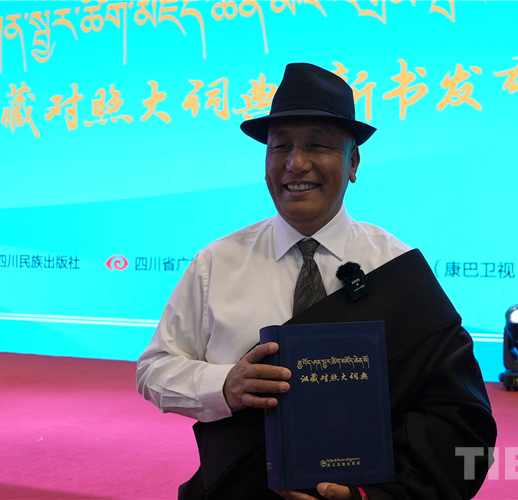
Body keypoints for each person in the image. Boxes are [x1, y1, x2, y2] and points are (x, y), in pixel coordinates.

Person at [136, 62, 497, 500]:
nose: (296, 163)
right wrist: (225, 386)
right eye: (280, 147)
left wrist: (374, 496)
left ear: (353, 162)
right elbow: (154, 369)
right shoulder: (217, 263)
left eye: (318, 145)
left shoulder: (398, 269)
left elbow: (456, 418)